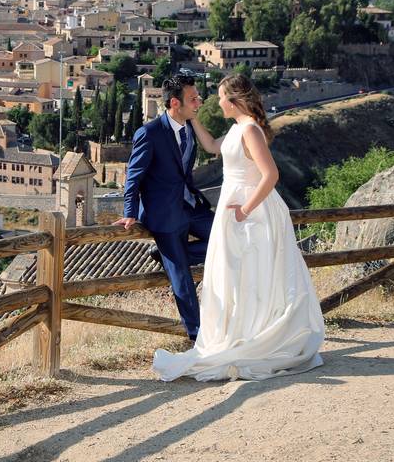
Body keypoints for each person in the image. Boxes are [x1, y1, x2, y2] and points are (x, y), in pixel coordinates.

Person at [152, 73, 324, 382]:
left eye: (220, 97)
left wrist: (245, 209)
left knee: (253, 273)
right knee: (234, 275)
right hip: (233, 211)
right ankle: (242, 334)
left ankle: (257, 337)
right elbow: (210, 145)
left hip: (251, 212)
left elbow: (270, 175)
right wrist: (188, 118)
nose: (216, 103)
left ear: (233, 101)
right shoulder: (236, 129)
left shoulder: (251, 131)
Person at [115, 75, 214, 343]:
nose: (199, 103)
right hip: (164, 214)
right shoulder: (149, 133)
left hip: (192, 206)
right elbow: (133, 177)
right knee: (181, 277)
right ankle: (198, 338)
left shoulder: (190, 127)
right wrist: (129, 213)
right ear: (174, 102)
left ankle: (167, 255)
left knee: (228, 237)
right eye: (193, 99)